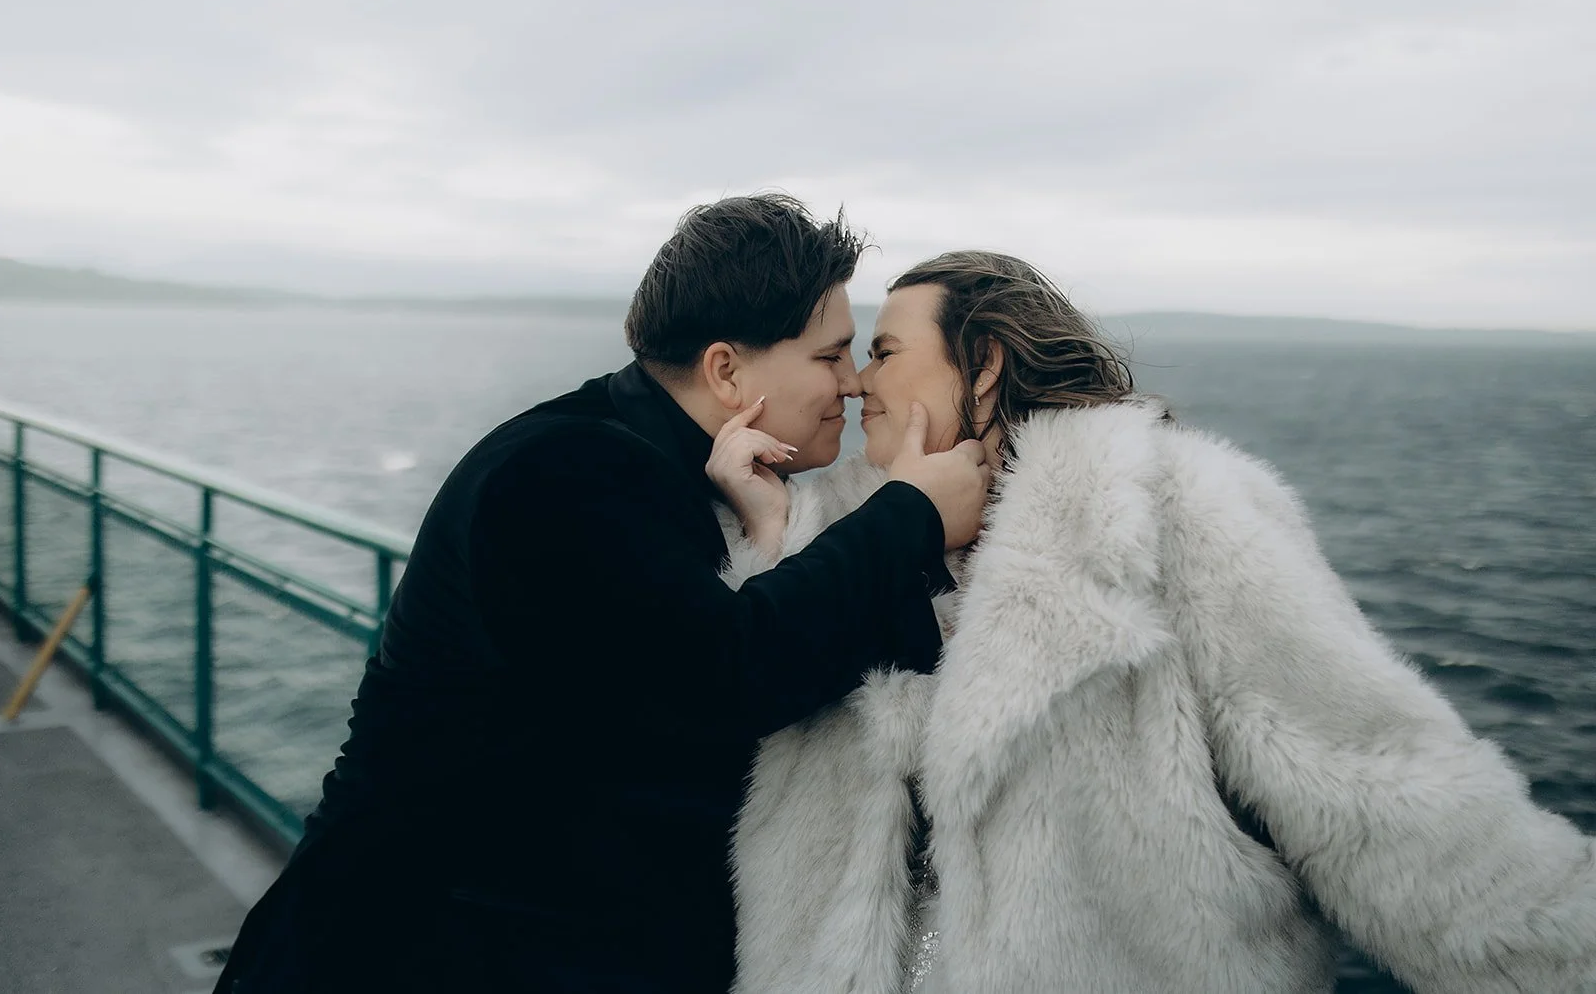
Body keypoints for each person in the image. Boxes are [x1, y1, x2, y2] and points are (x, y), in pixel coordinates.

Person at [711, 251, 1596, 994]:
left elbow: (1375, 782)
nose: (860, 379)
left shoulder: (1170, 514)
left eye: (886, 349)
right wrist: (769, 538)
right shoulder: (829, 534)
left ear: (982, 362)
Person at [214, 196, 991, 993]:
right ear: (726, 369)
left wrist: (772, 533)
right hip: (395, 951)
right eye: (830, 356)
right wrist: (915, 516)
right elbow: (726, 673)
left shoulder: (665, 466)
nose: (854, 381)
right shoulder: (561, 472)